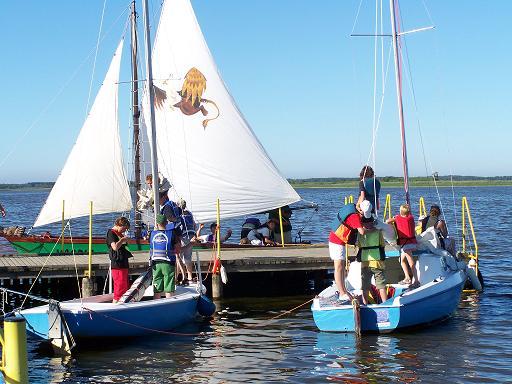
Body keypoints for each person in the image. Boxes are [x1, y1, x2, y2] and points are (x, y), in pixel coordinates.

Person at [328, 203, 366, 301]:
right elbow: (362, 231)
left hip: (339, 242)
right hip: (336, 242)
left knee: (342, 266)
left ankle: (344, 290)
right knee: (339, 267)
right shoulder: (354, 217)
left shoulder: (355, 211)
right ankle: (342, 293)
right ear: (361, 211)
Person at [356, 203, 388, 305]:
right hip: (377, 261)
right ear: (372, 222)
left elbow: (359, 245)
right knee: (381, 284)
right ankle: (385, 303)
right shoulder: (378, 232)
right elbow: (382, 244)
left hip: (365, 262)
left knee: (365, 285)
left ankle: (365, 303)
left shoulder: (360, 233)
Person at [386, 204, 419, 287]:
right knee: (402, 260)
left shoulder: (397, 218)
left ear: (401, 212)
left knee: (411, 263)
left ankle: (416, 281)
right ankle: (407, 277)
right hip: (412, 243)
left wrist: (395, 217)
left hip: (406, 244)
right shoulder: (411, 218)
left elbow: (387, 221)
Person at [150, 214, 181, 298]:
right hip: (168, 263)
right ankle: (169, 305)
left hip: (155, 264)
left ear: (156, 224)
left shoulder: (151, 234)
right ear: (166, 223)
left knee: (157, 286)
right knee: (169, 286)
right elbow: (178, 250)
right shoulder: (172, 234)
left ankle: (156, 304)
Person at [106, 217, 133, 303]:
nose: (124, 231)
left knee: (124, 286)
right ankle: (115, 303)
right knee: (119, 286)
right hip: (117, 264)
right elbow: (115, 247)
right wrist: (122, 240)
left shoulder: (119, 233)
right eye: (124, 228)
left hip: (123, 263)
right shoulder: (111, 233)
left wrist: (126, 240)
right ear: (119, 225)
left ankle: (122, 303)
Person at [177, 198, 195, 282]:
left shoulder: (180, 215)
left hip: (183, 236)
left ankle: (176, 277)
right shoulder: (190, 214)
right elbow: (194, 224)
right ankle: (190, 277)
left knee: (179, 257)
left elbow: (178, 226)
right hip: (191, 235)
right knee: (188, 257)